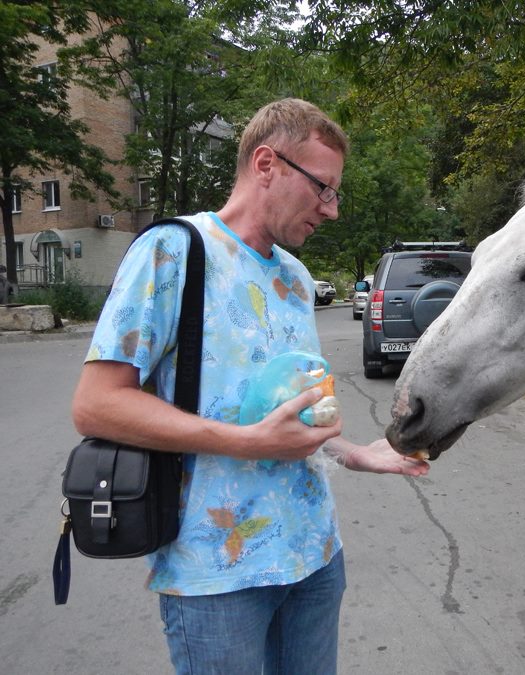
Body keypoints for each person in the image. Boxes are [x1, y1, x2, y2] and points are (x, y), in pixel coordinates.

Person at [71, 98, 429, 675]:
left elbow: (290, 419)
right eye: (323, 188)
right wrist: (245, 443)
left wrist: (354, 453)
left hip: (314, 557)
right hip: (217, 576)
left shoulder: (294, 276)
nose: (331, 210)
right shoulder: (172, 251)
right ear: (267, 164)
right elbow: (96, 405)